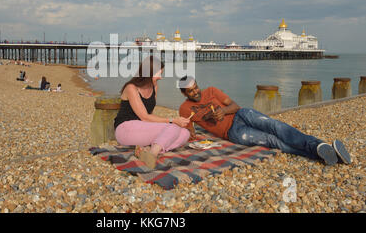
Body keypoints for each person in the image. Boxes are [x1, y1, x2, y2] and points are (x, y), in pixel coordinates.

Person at [177, 76, 352, 166]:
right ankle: (321, 153)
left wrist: (223, 111)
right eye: (190, 91)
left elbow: (235, 106)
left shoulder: (212, 91)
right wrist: (190, 134)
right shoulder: (184, 109)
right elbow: (189, 131)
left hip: (241, 114)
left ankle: (319, 146)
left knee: (276, 126)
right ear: (184, 94)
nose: (196, 92)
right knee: (272, 140)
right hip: (232, 132)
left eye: (196, 88)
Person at [113, 56, 191, 169]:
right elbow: (144, 117)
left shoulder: (154, 87)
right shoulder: (131, 88)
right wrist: (172, 120)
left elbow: (150, 115)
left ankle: (149, 150)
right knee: (173, 126)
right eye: (158, 73)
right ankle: (152, 154)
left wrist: (173, 122)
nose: (160, 77)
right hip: (125, 129)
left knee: (185, 133)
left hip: (142, 129)